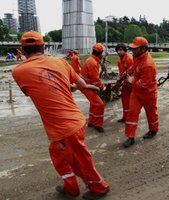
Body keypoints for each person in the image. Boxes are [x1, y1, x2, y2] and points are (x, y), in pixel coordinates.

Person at [12, 31, 109, 200]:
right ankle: (70, 187)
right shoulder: (61, 62)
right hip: (72, 122)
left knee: (80, 161)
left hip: (66, 128)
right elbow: (81, 84)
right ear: (43, 47)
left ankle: (100, 188)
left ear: (22, 50)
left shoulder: (19, 71)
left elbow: (34, 91)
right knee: (58, 156)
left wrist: (59, 85)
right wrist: (65, 85)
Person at [123, 37, 159, 148]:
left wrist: (131, 80)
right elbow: (134, 67)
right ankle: (130, 137)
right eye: (132, 48)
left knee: (151, 114)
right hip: (136, 93)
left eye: (135, 48)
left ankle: (153, 130)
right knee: (132, 114)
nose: (132, 51)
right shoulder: (137, 57)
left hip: (148, 94)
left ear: (143, 48)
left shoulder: (148, 64)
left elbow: (144, 84)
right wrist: (128, 72)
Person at [80, 43, 105, 133]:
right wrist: (102, 87)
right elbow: (96, 81)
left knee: (94, 103)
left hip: (87, 85)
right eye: (102, 52)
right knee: (100, 104)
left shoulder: (92, 60)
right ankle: (97, 124)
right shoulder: (93, 63)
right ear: (100, 53)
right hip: (87, 86)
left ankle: (91, 122)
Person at [115, 43, 134, 123]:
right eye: (117, 50)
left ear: (125, 50)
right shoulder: (119, 60)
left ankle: (131, 117)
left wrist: (121, 81)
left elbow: (131, 72)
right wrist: (120, 81)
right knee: (124, 100)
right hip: (125, 84)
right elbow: (121, 72)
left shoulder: (129, 58)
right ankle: (125, 117)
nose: (119, 52)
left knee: (132, 102)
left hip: (132, 84)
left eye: (120, 50)